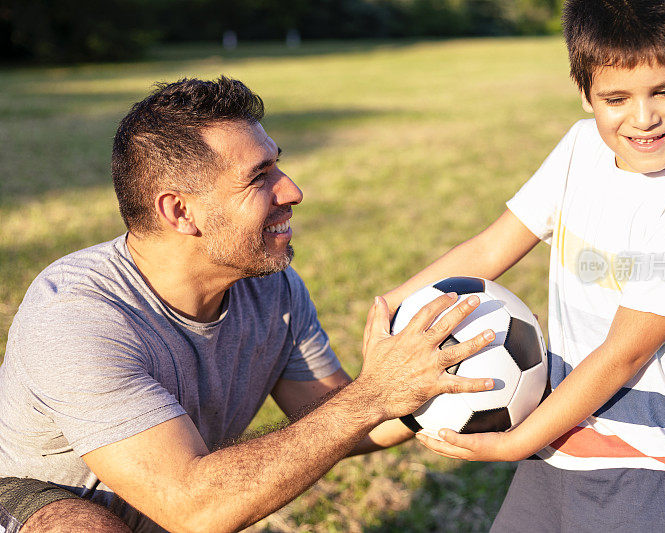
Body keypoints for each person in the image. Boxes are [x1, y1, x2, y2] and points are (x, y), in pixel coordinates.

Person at [0, 77, 498, 533]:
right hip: (30, 501)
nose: (293, 191)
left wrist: (443, 380)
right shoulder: (77, 316)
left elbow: (343, 417)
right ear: (180, 211)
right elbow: (192, 507)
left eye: (277, 164)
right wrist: (373, 395)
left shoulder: (270, 288)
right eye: (260, 176)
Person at [383, 1, 665, 531]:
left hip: (645, 463)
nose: (643, 118)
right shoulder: (580, 149)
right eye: (616, 98)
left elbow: (625, 353)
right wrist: (390, 310)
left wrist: (512, 444)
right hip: (557, 439)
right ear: (585, 93)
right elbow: (488, 249)